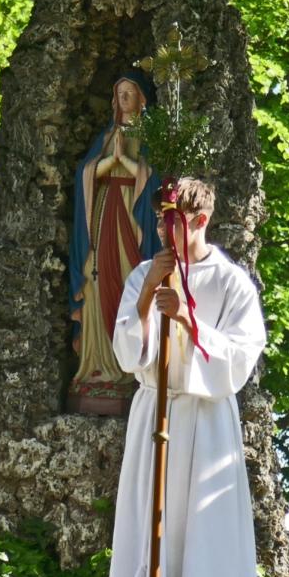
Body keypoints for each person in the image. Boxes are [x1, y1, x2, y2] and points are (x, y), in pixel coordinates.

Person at [100, 178, 268, 577]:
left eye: (171, 220)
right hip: (157, 409)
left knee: (208, 534)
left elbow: (241, 356)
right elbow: (129, 354)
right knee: (148, 530)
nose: (163, 230)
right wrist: (150, 291)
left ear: (199, 221)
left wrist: (190, 320)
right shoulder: (144, 274)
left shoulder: (232, 281)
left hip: (208, 414)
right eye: (159, 221)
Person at [68, 73, 162, 408]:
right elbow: (86, 172)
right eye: (119, 94)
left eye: (129, 94)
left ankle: (125, 372)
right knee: (93, 282)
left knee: (127, 282)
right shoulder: (107, 136)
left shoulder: (149, 138)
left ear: (142, 100)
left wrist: (130, 165)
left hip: (131, 220)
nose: (123, 100)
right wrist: (110, 162)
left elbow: (154, 182)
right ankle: (96, 368)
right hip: (103, 216)